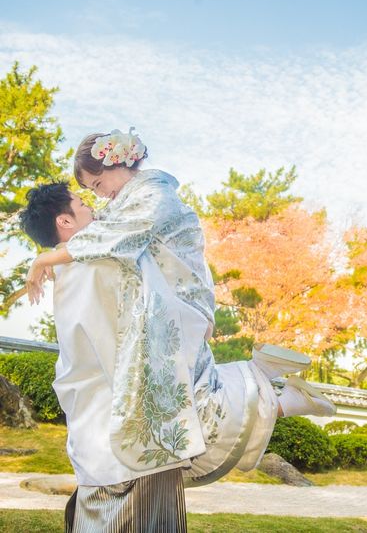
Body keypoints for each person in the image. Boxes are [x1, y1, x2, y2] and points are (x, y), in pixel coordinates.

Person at [21, 129, 335, 531]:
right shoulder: (108, 226)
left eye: (96, 186)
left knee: (181, 397)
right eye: (87, 196)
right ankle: (268, 387)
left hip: (178, 297)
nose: (97, 201)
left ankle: (270, 390)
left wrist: (46, 258)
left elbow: (116, 237)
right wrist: (56, 257)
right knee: (185, 401)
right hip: (160, 305)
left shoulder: (152, 195)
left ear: (116, 163)